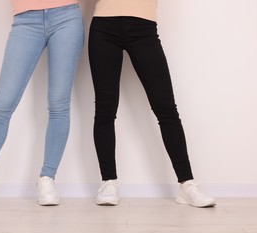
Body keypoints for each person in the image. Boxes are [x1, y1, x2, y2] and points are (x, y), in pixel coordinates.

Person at [0, 0, 84, 207]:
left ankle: (47, 178)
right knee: (2, 104)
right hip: (25, 20)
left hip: (66, 16)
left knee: (58, 103)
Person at [88, 0, 216, 207]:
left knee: (166, 109)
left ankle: (187, 184)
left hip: (144, 28)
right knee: (105, 108)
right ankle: (108, 181)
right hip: (104, 26)